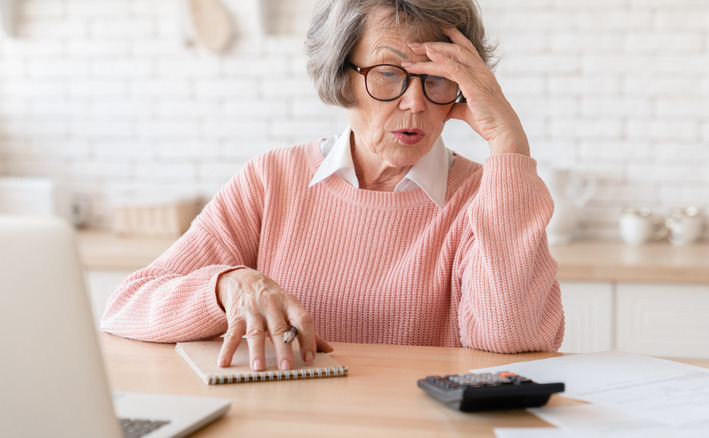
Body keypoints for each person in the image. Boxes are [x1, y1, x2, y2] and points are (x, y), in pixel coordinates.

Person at [101, 0, 564, 373]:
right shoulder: (272, 179)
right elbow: (127, 306)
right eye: (389, 73)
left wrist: (509, 147)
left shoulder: (488, 195)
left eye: (438, 79)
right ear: (344, 74)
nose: (416, 103)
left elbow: (513, 337)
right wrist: (227, 286)